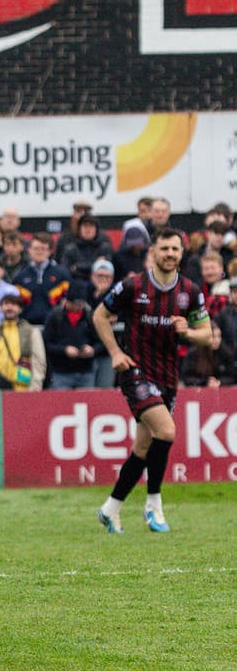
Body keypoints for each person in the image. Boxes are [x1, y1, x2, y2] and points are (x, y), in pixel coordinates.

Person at [93, 227, 210, 534]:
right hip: (135, 371)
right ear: (153, 252)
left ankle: (110, 508)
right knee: (167, 431)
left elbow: (207, 335)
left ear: (181, 253)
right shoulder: (132, 285)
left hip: (168, 376)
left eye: (175, 249)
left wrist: (188, 332)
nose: (170, 254)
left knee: (143, 448)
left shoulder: (191, 291)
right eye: (164, 249)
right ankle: (153, 505)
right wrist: (115, 352)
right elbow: (99, 316)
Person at [43, 282, 99, 390]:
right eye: (75, 303)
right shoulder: (55, 316)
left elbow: (100, 342)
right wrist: (64, 350)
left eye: (81, 303)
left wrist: (92, 350)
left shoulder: (89, 316)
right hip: (61, 372)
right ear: (67, 302)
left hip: (86, 371)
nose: (78, 306)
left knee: (86, 403)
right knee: (61, 404)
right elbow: (47, 344)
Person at [0, 293, 45, 392]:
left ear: (20, 309)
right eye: (6, 304)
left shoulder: (31, 331)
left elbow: (39, 360)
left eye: (14, 304)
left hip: (22, 387)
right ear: (1, 308)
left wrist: (36, 384)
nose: (9, 307)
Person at [181, 324, 235, 388]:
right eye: (213, 336)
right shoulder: (193, 353)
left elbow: (233, 375)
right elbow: (186, 378)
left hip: (221, 390)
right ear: (205, 337)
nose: (217, 340)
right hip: (199, 391)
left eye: (219, 336)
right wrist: (205, 382)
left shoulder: (225, 353)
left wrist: (220, 382)